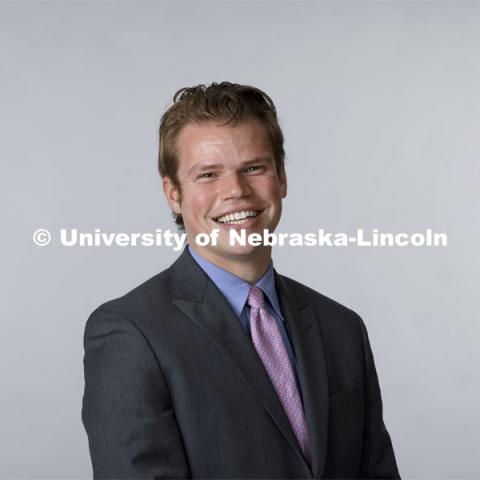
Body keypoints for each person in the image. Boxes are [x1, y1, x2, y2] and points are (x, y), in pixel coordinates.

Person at [82, 82, 400, 479]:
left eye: (253, 167)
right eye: (208, 175)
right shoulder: (130, 334)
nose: (235, 191)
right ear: (173, 194)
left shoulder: (342, 328)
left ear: (281, 178)